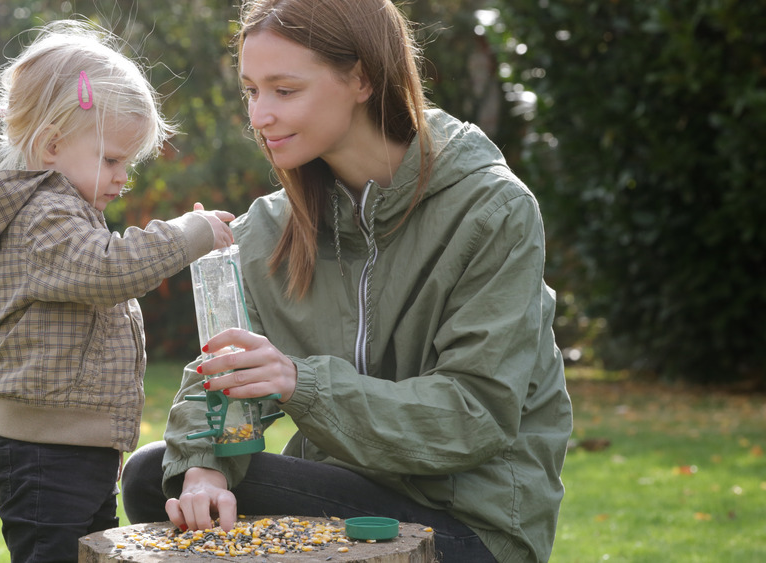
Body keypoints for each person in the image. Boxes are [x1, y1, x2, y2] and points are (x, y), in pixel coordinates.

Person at [119, 1, 573, 562]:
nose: (260, 116)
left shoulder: (491, 211)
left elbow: (475, 414)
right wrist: (205, 468)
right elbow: (221, 372)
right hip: (341, 494)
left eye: (284, 91)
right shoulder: (268, 230)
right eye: (251, 91)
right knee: (154, 476)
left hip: (467, 524)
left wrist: (300, 384)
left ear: (361, 78)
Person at [0, 20, 234, 563]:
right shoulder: (45, 216)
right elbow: (110, 269)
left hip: (77, 448)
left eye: (128, 164)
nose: (123, 178)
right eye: (112, 160)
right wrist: (190, 235)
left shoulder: (70, 214)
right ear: (51, 146)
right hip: (46, 453)